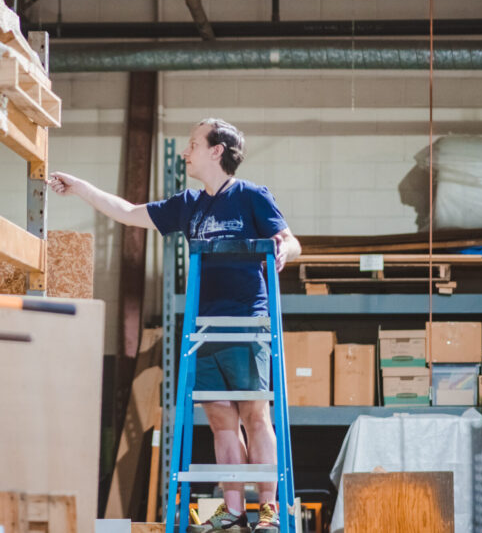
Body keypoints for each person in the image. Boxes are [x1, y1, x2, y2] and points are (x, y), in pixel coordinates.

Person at [48, 118, 300, 533]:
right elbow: (128, 213)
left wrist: (283, 249)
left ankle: (269, 511)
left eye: (193, 144)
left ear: (217, 150)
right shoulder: (189, 204)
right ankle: (234, 511)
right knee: (221, 419)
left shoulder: (252, 196)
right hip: (204, 325)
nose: (186, 151)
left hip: (247, 321)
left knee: (256, 415)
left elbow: (291, 240)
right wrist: (79, 187)